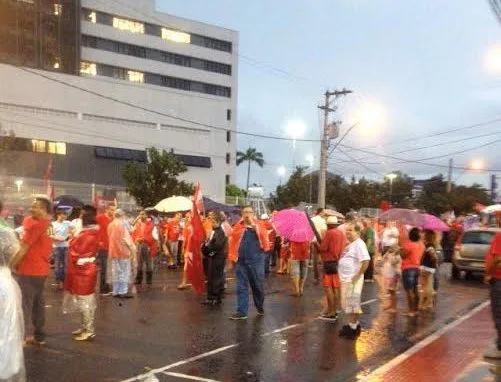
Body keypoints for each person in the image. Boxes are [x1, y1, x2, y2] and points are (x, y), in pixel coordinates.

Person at [10, 197, 53, 346]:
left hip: (29, 270)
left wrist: (10, 265)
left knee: (26, 304)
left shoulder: (37, 226)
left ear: (44, 210)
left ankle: (24, 336)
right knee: (38, 303)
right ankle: (39, 335)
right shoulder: (49, 225)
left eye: (35, 207)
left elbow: (23, 249)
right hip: (42, 270)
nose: (31, 209)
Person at [64, 205, 99, 341]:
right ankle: (85, 326)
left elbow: (75, 251)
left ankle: (89, 329)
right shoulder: (93, 234)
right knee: (85, 301)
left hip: (82, 270)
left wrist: (72, 239)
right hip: (87, 269)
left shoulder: (86, 235)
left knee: (85, 301)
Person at [228, 205, 270, 320]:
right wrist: (231, 260)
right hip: (241, 261)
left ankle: (259, 306)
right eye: (245, 212)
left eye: (249, 212)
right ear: (242, 214)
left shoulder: (259, 225)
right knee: (241, 286)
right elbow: (232, 242)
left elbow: (264, 237)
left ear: (253, 214)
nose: (247, 214)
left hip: (256, 261)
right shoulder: (238, 226)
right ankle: (242, 311)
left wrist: (252, 225)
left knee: (257, 286)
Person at [0, 211, 24, 382]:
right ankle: (7, 368)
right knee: (7, 327)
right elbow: (15, 254)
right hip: (4, 282)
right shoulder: (7, 232)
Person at [338, 223, 370, 340]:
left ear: (357, 232)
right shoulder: (351, 244)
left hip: (352, 279)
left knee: (352, 304)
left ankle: (353, 328)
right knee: (348, 304)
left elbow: (366, 261)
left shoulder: (359, 244)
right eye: (346, 231)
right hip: (346, 279)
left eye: (350, 230)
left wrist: (358, 275)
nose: (347, 233)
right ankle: (352, 325)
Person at [319, 216, 346, 321]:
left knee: (328, 287)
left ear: (329, 225)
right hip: (337, 261)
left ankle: (331, 312)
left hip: (329, 261)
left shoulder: (329, 233)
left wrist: (318, 243)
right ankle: (335, 309)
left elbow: (323, 248)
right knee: (335, 287)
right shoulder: (340, 233)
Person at [484, 213, 501, 359]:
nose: (497, 220)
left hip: (498, 279)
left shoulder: (499, 238)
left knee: (498, 313)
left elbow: (497, 259)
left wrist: (488, 273)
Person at [201, 212, 228, 305]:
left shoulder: (220, 232)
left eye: (213, 221)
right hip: (214, 257)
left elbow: (216, 246)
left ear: (218, 222)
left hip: (217, 258)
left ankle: (214, 297)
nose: (211, 223)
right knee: (213, 277)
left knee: (215, 277)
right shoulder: (215, 231)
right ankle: (214, 297)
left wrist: (209, 251)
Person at [108, 209, 135, 298]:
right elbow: (126, 240)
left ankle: (115, 291)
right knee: (124, 272)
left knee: (116, 272)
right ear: (122, 215)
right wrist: (132, 250)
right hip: (123, 251)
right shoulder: (122, 226)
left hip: (113, 251)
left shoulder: (110, 225)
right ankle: (123, 291)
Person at [401, 227, 425, 317]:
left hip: (408, 269)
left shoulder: (409, 245)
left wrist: (401, 249)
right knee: (415, 290)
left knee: (409, 291)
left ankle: (411, 310)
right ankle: (415, 309)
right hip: (416, 268)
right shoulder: (422, 245)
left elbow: (403, 256)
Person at [133, 210, 157, 286]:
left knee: (149, 263)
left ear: (147, 216)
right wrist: (136, 240)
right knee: (139, 263)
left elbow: (154, 237)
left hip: (148, 245)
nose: (141, 215)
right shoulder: (137, 224)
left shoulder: (152, 225)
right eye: (140, 214)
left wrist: (143, 239)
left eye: (143, 214)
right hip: (139, 245)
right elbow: (133, 234)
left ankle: (149, 279)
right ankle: (138, 279)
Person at [96, 204, 116, 295]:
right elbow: (94, 229)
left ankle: (107, 286)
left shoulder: (113, 220)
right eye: (111, 209)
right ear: (107, 209)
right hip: (103, 246)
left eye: (114, 210)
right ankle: (103, 289)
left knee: (109, 268)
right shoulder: (100, 218)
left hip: (111, 246)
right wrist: (98, 241)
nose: (113, 212)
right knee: (104, 267)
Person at [50, 210, 71, 289]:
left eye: (65, 215)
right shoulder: (52, 224)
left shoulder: (68, 223)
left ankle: (65, 281)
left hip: (66, 246)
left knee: (66, 264)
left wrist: (68, 236)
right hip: (57, 246)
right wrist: (57, 238)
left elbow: (73, 231)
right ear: (58, 215)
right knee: (58, 265)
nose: (65, 217)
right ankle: (59, 281)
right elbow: (49, 234)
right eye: (63, 215)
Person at [381, 245, 401, 313]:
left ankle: (394, 307)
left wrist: (394, 254)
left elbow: (393, 263)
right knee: (390, 291)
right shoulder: (390, 254)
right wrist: (387, 253)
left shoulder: (397, 256)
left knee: (393, 291)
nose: (391, 249)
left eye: (394, 247)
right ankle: (390, 304)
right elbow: (383, 259)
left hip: (394, 275)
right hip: (389, 275)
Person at [311, 208, 327, 284]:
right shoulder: (322, 220)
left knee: (315, 260)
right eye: (323, 212)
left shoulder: (312, 219)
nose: (324, 213)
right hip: (321, 240)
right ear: (320, 212)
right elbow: (323, 232)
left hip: (313, 240)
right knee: (324, 259)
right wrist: (324, 242)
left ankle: (316, 277)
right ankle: (324, 276)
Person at [177, 211, 192, 290]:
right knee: (186, 267)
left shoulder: (195, 225)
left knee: (194, 267)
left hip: (195, 250)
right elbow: (185, 239)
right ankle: (184, 282)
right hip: (188, 249)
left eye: (188, 216)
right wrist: (183, 249)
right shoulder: (187, 226)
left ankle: (192, 282)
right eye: (186, 217)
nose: (187, 218)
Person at [362, 218, 376, 282]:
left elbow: (369, 240)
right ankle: (368, 277)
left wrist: (366, 250)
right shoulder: (366, 230)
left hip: (369, 249)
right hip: (369, 249)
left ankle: (368, 277)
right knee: (369, 263)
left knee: (369, 263)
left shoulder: (369, 230)